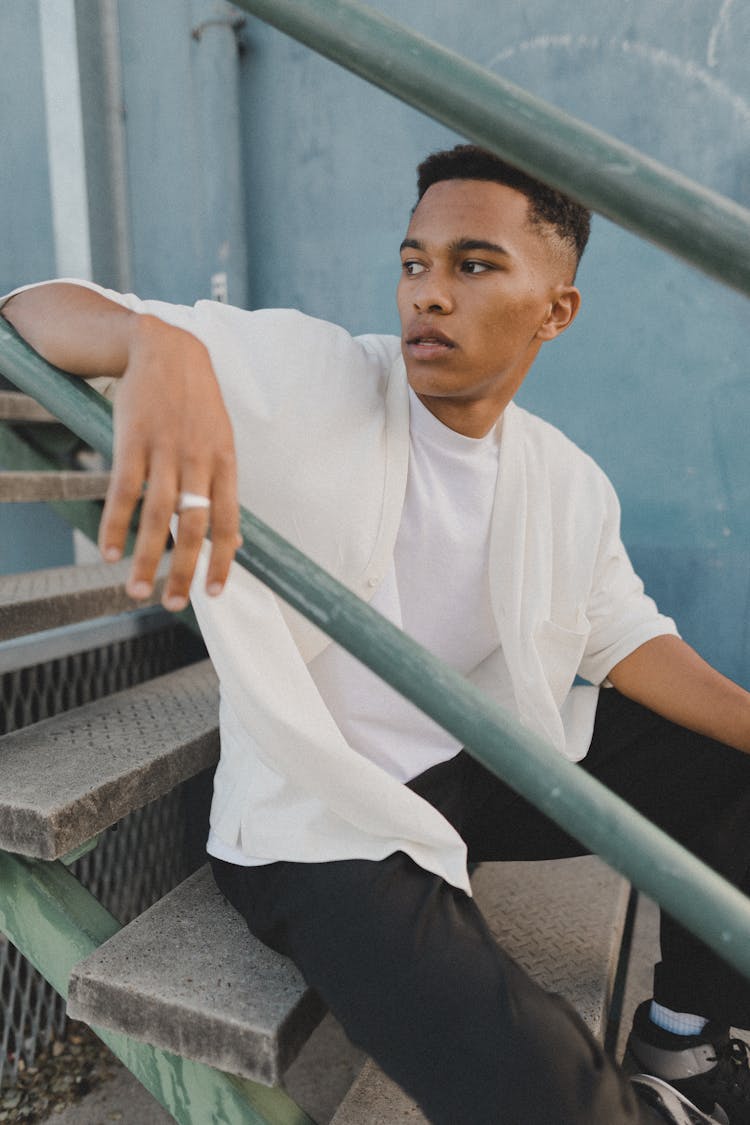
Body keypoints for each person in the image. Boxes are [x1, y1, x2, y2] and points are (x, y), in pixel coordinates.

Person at [3, 144, 750, 1125]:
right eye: (414, 262)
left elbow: (628, 642)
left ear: (556, 310)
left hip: (479, 773)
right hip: (319, 826)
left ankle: (688, 1043)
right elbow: (28, 309)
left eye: (474, 265)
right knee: (535, 1079)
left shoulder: (564, 478)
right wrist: (159, 346)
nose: (429, 294)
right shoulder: (316, 377)